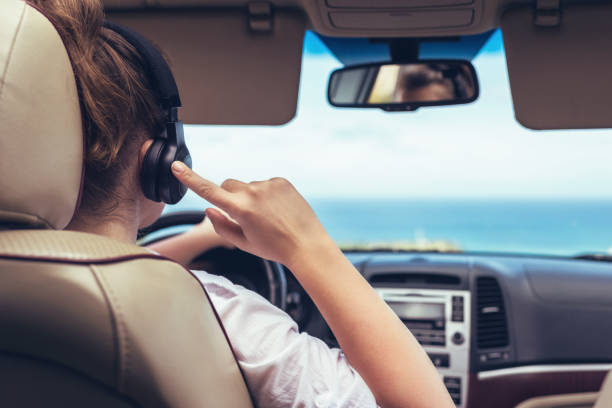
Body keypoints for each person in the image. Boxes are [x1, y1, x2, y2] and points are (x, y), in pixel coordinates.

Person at [33, 1, 455, 407]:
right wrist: (308, 248)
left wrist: (197, 239)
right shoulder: (216, 317)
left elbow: (96, 266)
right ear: (162, 165)